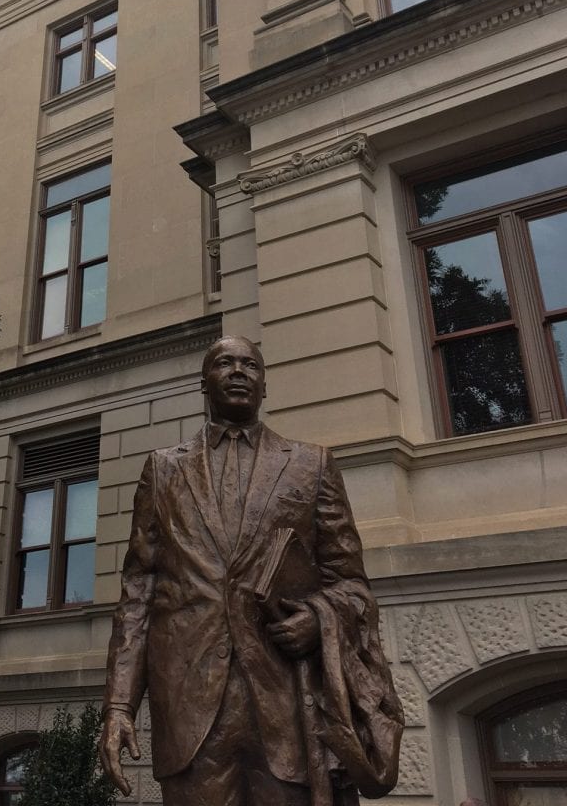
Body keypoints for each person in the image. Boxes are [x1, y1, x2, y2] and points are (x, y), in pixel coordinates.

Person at [99, 336, 403, 806]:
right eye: (225, 363)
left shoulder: (311, 465)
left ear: (264, 385)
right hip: (189, 707)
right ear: (205, 382)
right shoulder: (162, 470)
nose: (239, 371)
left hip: (287, 703)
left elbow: (353, 586)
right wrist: (119, 705)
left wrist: (317, 619)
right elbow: (137, 595)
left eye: (250, 365)